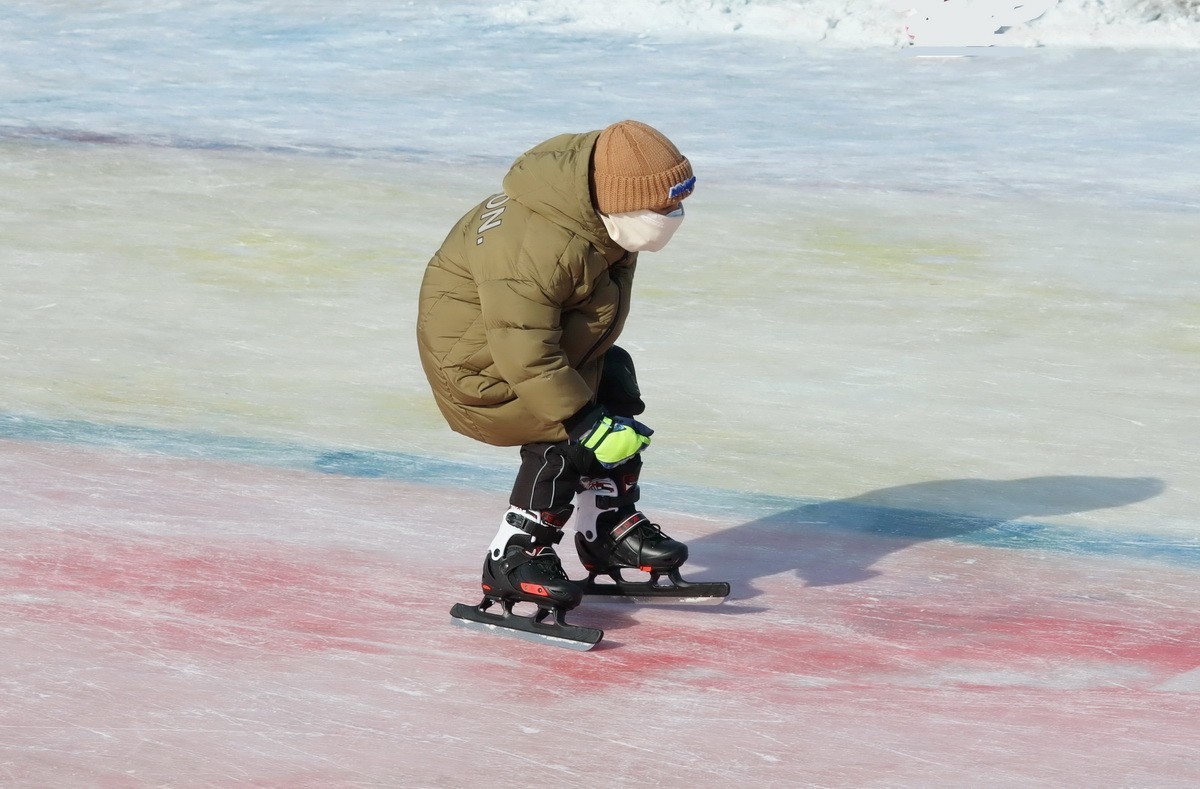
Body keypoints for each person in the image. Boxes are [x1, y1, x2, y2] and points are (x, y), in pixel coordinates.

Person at [416, 120, 714, 637]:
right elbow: (523, 349)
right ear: (621, 200)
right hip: (480, 373)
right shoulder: (539, 246)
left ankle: (606, 528)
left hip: (524, 348)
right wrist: (581, 420)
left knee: (614, 381)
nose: (674, 218)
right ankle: (515, 558)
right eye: (663, 209)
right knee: (563, 436)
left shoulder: (596, 218)